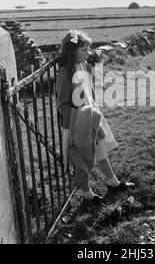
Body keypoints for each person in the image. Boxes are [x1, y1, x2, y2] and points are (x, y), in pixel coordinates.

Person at [55, 30, 134, 205]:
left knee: (100, 150)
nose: (88, 53)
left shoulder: (83, 67)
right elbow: (61, 105)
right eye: (84, 50)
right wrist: (80, 119)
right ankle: (86, 193)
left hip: (91, 118)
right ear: (72, 52)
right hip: (77, 124)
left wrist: (93, 112)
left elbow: (88, 93)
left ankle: (113, 182)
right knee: (82, 157)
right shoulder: (65, 74)